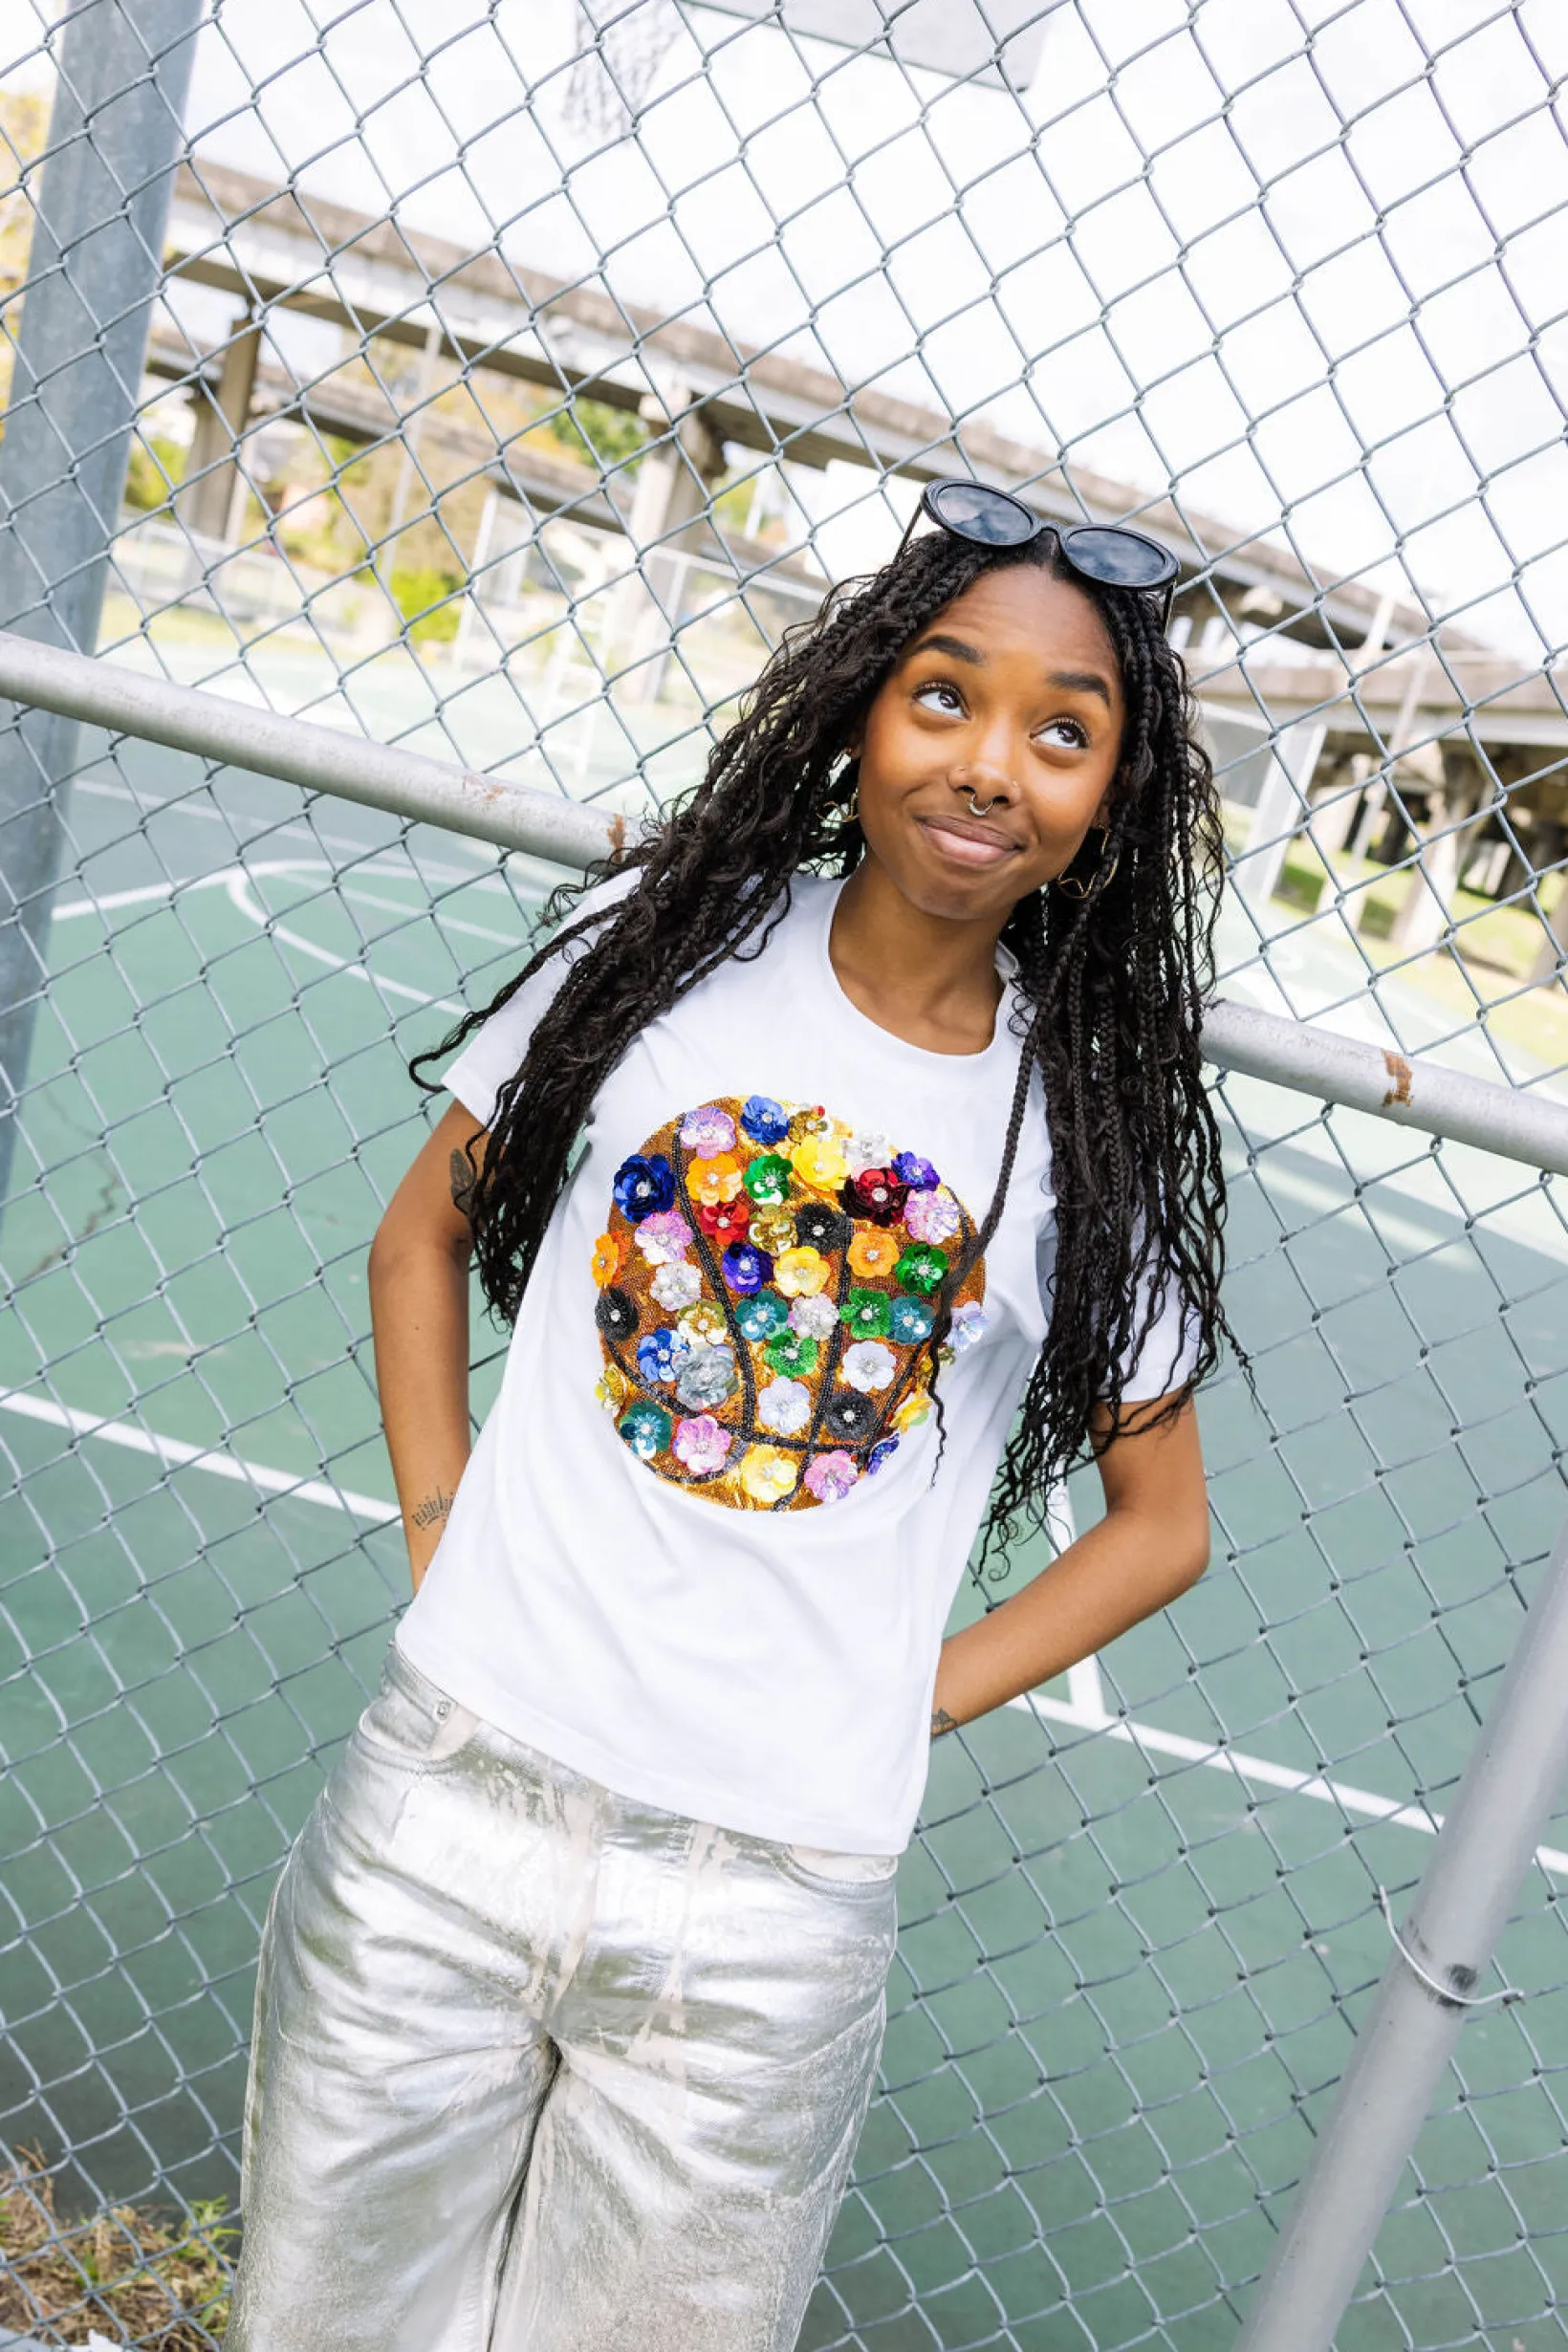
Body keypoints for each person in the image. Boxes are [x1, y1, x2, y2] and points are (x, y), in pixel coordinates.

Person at [227, 481, 1234, 2352]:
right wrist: (445, 1536)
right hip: (450, 1809)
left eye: (1061, 731)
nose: (990, 763)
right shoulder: (660, 946)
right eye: (945, 696)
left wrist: (910, 1690)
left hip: (763, 1916)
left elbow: (1160, 1523)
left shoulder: (1071, 1134)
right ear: (862, 703)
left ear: (1114, 797)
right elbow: (416, 1239)